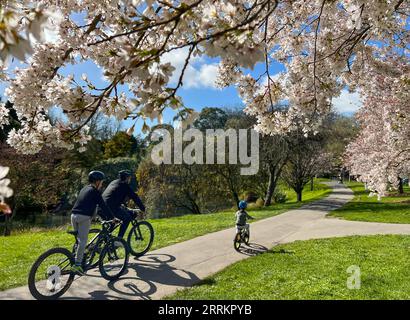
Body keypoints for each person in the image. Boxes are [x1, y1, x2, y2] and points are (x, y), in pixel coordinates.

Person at [70, 171, 115, 274]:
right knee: (83, 241)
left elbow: (89, 204)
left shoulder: (84, 189)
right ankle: (77, 266)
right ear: (97, 181)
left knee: (78, 240)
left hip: (73, 216)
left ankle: (76, 258)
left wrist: (95, 216)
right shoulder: (95, 192)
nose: (102, 184)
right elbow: (103, 206)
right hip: (83, 218)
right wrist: (113, 218)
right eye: (102, 182)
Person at [99, 170, 145, 239]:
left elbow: (115, 196)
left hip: (101, 207)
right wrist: (142, 208)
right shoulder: (125, 186)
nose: (129, 179)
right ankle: (118, 240)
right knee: (127, 218)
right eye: (129, 178)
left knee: (111, 224)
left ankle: (103, 243)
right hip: (111, 208)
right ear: (127, 178)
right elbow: (135, 197)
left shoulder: (113, 182)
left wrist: (124, 207)